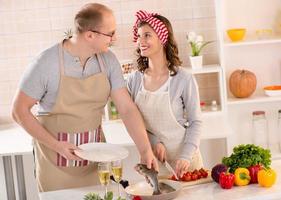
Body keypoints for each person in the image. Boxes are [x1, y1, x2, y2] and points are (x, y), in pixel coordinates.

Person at [11, 4, 158, 192]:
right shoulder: (46, 63)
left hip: (97, 162)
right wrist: (56, 145)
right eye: (110, 34)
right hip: (54, 162)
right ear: (90, 35)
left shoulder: (108, 61)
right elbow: (18, 111)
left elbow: (126, 108)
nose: (115, 39)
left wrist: (145, 150)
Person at [127, 10, 203, 178]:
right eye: (139, 36)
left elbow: (196, 122)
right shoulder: (134, 80)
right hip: (153, 162)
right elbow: (134, 121)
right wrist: (154, 142)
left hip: (186, 163)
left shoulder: (183, 78)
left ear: (162, 39)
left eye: (147, 35)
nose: (141, 41)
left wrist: (185, 156)